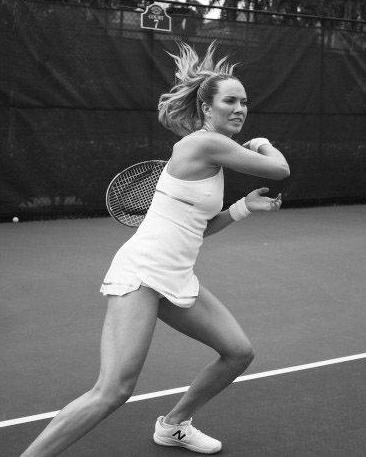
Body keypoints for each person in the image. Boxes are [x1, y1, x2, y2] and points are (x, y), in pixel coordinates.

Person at [21, 41, 290, 456]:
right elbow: (281, 168)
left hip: (175, 275)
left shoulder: (211, 154)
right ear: (206, 108)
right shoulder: (204, 145)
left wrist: (242, 208)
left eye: (245, 102)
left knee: (237, 352)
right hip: (143, 273)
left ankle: (174, 425)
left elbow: (195, 229)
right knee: (113, 390)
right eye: (231, 101)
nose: (240, 109)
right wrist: (263, 142)